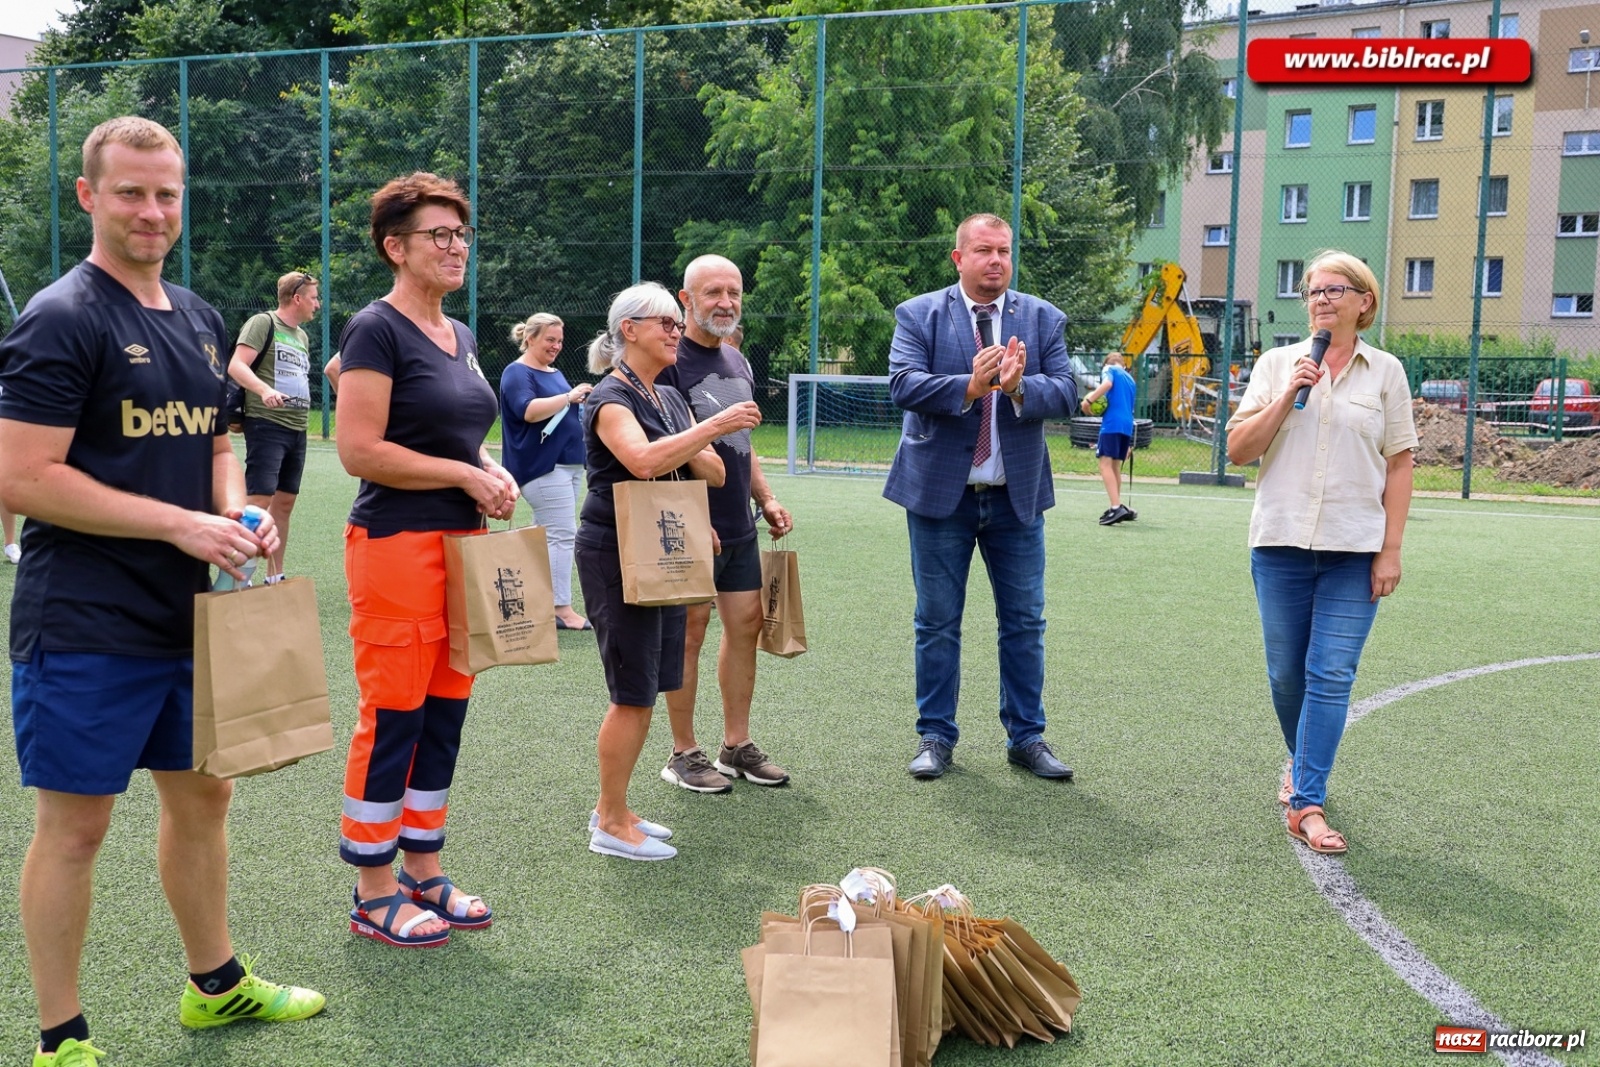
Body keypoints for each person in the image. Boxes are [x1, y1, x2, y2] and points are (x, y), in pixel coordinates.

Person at [0, 115, 323, 1067]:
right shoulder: (62, 315)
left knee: (206, 796)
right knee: (76, 827)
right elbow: (21, 477)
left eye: (167, 193)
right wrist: (180, 525)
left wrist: (239, 512)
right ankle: (61, 1036)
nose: (152, 210)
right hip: (87, 617)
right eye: (132, 191)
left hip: (194, 617)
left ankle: (214, 987)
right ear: (89, 196)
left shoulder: (196, 314)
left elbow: (217, 445)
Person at [336, 172, 518, 946]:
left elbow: (452, 433)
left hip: (460, 546)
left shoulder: (462, 335)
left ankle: (424, 870)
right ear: (395, 247)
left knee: (444, 713)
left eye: (460, 234)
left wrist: (488, 463)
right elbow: (360, 450)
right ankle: (374, 889)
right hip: (397, 546)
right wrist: (461, 472)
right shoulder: (374, 329)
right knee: (394, 717)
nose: (454, 247)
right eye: (437, 235)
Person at [1225, 249, 1416, 856]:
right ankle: (1301, 760)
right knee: (1286, 677)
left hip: (1353, 551)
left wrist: (1391, 549)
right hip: (1279, 544)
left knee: (1329, 674)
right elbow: (1237, 450)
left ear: (1365, 302)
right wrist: (1286, 397)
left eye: (1338, 289)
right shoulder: (1279, 364)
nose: (1323, 299)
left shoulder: (1386, 372)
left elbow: (1401, 463)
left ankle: (1306, 801)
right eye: (1314, 290)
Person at [884, 213, 1079, 781]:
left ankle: (1027, 737)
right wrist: (970, 387)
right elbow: (903, 384)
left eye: (1004, 251)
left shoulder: (1041, 319)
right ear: (959, 258)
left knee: (1024, 622)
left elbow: (1067, 392)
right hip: (941, 496)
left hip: (1015, 498)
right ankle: (935, 736)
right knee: (937, 622)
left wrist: (1018, 386)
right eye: (985, 251)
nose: (996, 261)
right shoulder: (918, 314)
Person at [576, 282, 761, 861]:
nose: (676, 332)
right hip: (616, 549)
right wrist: (714, 427)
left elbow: (713, 473)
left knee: (649, 688)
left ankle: (620, 806)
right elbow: (644, 459)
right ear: (628, 330)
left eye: (677, 326)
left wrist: (690, 446)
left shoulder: (665, 396)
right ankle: (608, 820)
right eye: (666, 324)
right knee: (631, 693)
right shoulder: (610, 395)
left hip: (660, 544)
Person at [658, 255, 793, 794]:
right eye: (712, 292)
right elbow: (659, 453)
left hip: (738, 524)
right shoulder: (666, 362)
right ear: (685, 299)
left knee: (746, 626)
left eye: (733, 292)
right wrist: (691, 519)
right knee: (689, 632)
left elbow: (744, 442)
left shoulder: (737, 361)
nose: (726, 303)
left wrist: (767, 496)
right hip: (690, 526)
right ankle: (682, 753)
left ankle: (735, 745)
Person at [499, 312, 593, 631]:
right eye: (550, 340)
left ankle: (540, 601)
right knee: (563, 534)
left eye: (560, 341)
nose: (556, 346)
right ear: (531, 338)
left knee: (548, 534)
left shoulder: (554, 372)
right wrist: (568, 396)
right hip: (541, 465)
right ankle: (561, 609)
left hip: (566, 464)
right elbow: (527, 411)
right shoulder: (517, 372)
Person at [228, 270, 321, 578]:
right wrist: (264, 390)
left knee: (284, 503)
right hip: (267, 424)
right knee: (258, 501)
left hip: (297, 428)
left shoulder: (302, 336)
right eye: (313, 298)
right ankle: (238, 576)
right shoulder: (263, 323)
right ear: (297, 299)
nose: (317, 304)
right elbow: (236, 365)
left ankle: (274, 575)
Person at [1079, 351, 1138, 525]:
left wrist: (1088, 401)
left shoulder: (1109, 369)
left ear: (1107, 364)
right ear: (1125, 365)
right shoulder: (1130, 379)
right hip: (1127, 425)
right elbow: (1129, 407)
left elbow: (1107, 384)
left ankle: (1115, 507)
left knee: (1104, 464)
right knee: (1115, 466)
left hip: (1112, 423)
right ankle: (1117, 504)